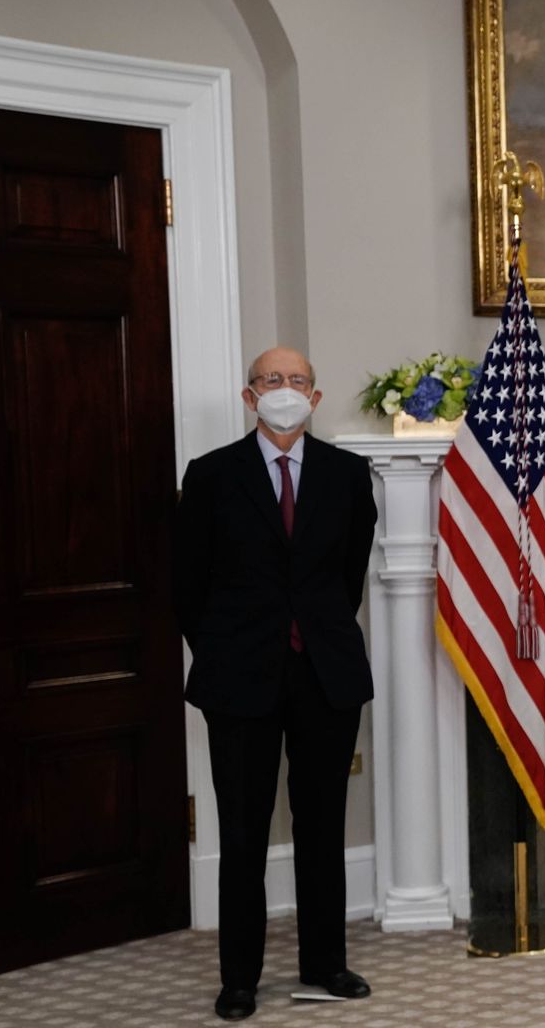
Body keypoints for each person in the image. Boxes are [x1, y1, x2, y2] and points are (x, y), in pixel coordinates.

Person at [173, 347, 378, 1021]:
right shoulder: (211, 475)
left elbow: (347, 576)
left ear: (314, 397)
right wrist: (225, 648)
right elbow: (187, 584)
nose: (284, 389)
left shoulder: (348, 474)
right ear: (249, 395)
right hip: (239, 677)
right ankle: (239, 978)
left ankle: (326, 964)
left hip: (325, 673)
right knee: (243, 832)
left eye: (296, 381)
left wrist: (312, 630)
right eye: (271, 380)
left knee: (322, 825)